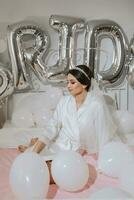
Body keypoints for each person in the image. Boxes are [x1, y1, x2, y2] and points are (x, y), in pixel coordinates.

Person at [18, 64, 117, 183]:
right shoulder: (64, 101)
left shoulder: (96, 105)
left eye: (72, 82)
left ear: (84, 84)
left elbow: (103, 135)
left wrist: (103, 162)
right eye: (67, 82)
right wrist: (33, 153)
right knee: (32, 160)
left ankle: (33, 147)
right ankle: (32, 147)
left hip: (74, 149)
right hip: (60, 142)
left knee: (48, 175)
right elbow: (52, 127)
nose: (68, 86)